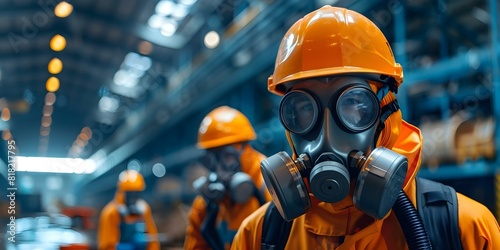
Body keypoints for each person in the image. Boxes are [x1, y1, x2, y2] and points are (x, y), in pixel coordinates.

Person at [232, 5, 500, 249]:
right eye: (304, 108)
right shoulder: (258, 236)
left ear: (387, 109)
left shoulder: (466, 230)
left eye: (352, 104)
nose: (327, 134)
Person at [184, 105, 272, 250]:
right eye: (212, 158)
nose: (219, 167)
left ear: (245, 148)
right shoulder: (207, 203)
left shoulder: (271, 183)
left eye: (227, 155)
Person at [98, 170, 160, 250]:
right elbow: (106, 245)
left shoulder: (144, 210)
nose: (133, 197)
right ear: (122, 192)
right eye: (130, 193)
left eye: (136, 192)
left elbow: (153, 240)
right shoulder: (111, 212)